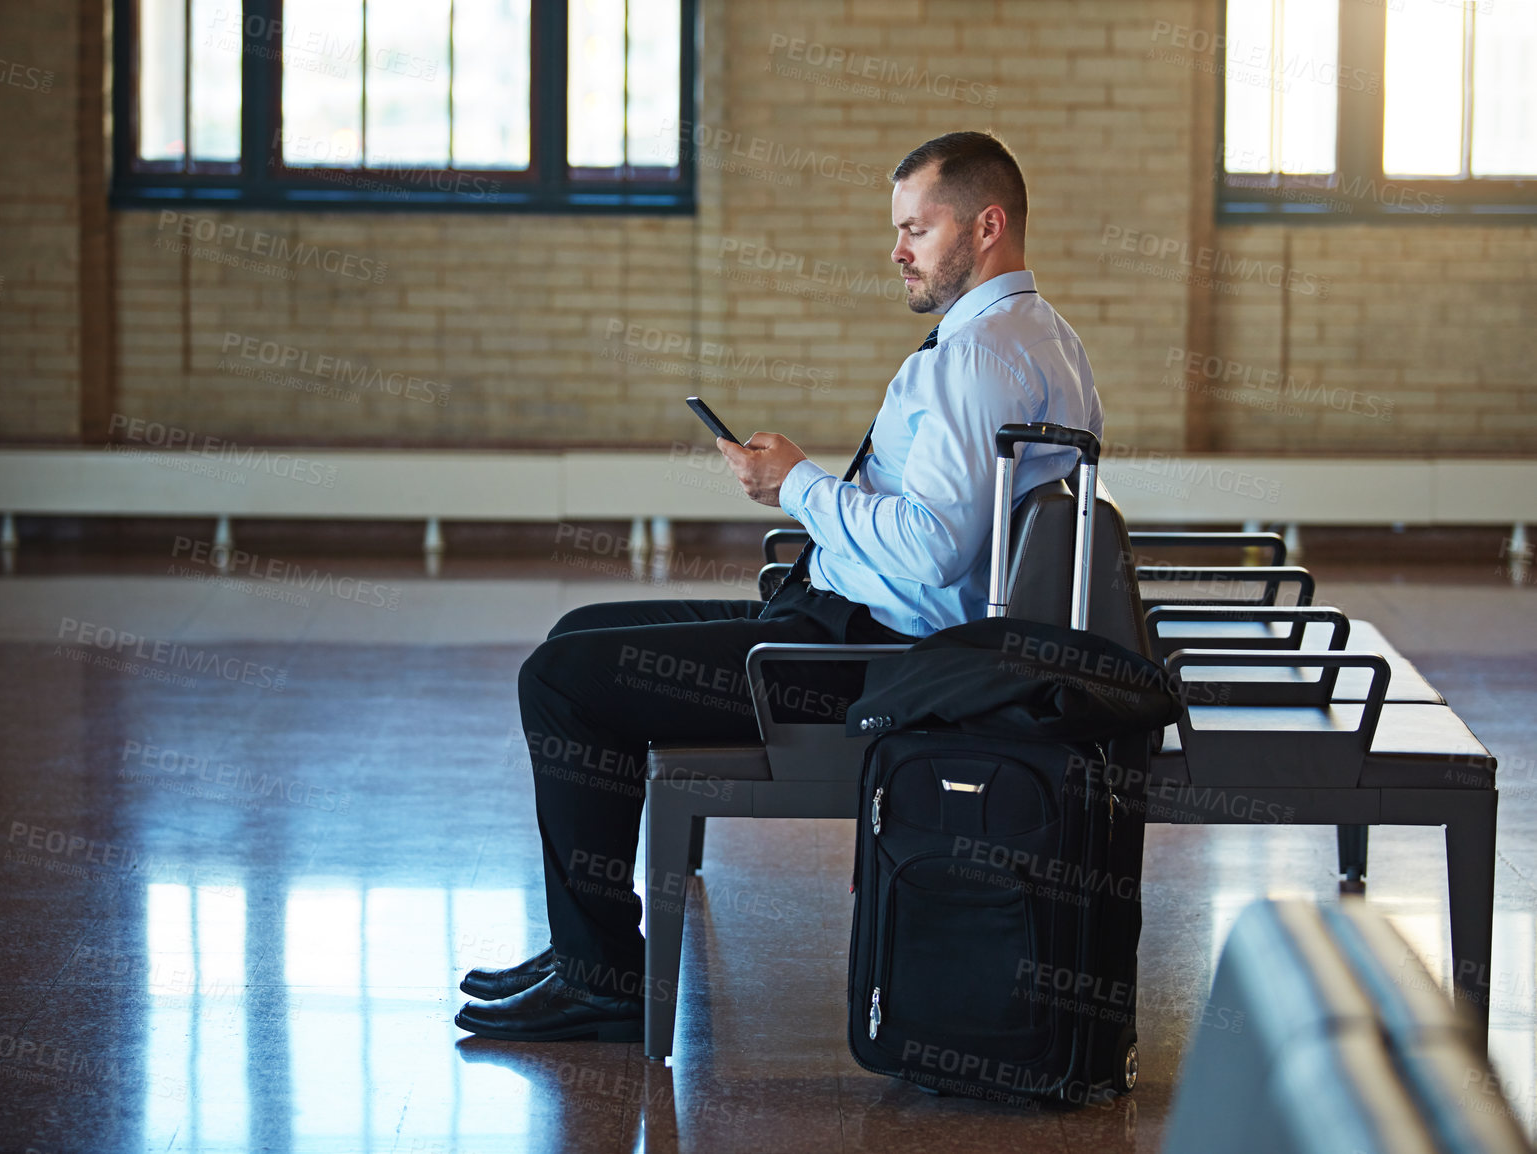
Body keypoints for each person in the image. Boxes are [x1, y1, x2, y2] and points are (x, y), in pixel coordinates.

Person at [454, 131, 1103, 1043]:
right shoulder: (1045, 340)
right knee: (578, 629)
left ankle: (599, 976)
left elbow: (930, 550)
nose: (897, 250)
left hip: (867, 664)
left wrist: (798, 485)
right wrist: (803, 493)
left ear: (987, 225)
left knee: (559, 680)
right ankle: (586, 949)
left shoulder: (976, 360)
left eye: (916, 228)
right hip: (858, 626)